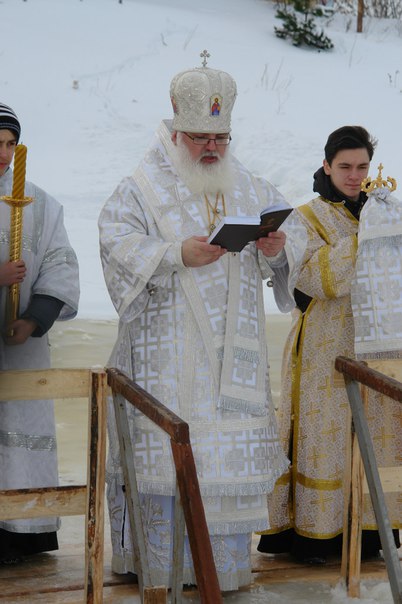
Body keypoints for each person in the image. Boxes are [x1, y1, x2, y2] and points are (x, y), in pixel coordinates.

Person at [98, 57, 306, 591]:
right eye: (200, 137)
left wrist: (276, 248)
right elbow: (116, 241)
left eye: (221, 137)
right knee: (168, 461)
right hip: (168, 361)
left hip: (234, 363)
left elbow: (295, 235)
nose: (212, 147)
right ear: (175, 129)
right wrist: (175, 254)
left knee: (222, 465)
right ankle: (162, 569)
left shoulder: (248, 184)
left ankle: (222, 571)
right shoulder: (140, 188)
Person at [257, 125, 402, 564]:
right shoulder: (306, 217)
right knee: (326, 437)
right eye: (345, 167)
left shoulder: (387, 212)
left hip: (380, 346)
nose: (355, 176)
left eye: (362, 166)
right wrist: (365, 238)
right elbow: (315, 279)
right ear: (326, 166)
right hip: (325, 347)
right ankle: (317, 534)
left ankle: (373, 532)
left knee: (378, 436)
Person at [0, 103, 80, 563]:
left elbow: (60, 263)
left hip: (21, 349)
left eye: (11, 144)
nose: (4, 154)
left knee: (20, 432)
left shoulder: (41, 203)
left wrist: (33, 318)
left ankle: (21, 532)